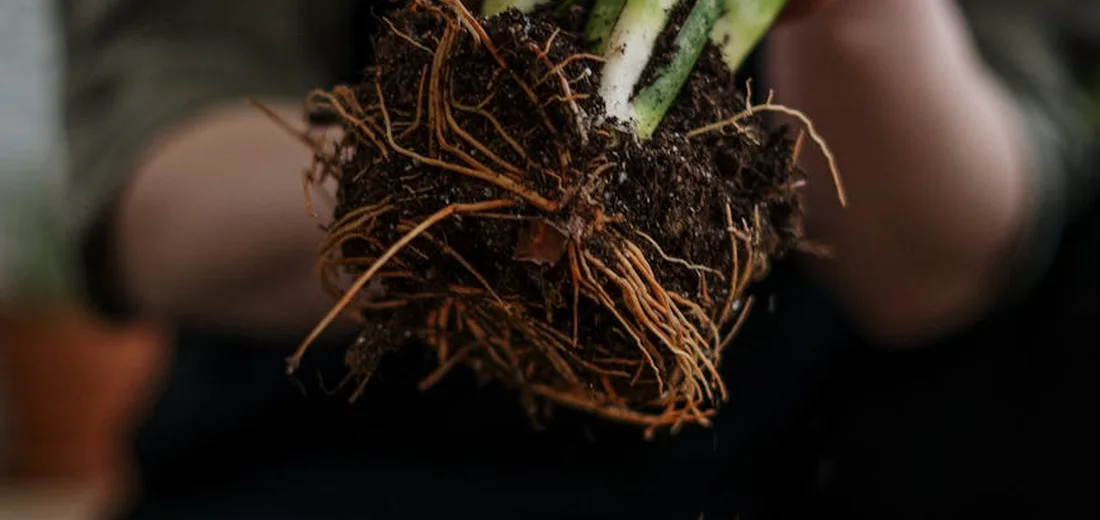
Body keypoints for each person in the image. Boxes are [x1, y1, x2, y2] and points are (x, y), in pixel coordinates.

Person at [57, 0, 1098, 518]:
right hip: (343, 450)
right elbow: (154, 199)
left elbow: (936, 272)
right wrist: (490, 169)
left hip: (806, 453)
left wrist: (868, 22)